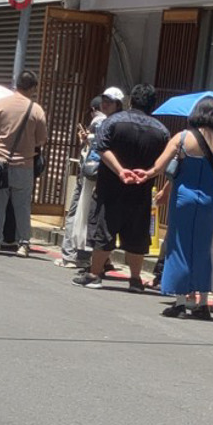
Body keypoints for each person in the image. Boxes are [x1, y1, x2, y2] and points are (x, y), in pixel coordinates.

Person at [140, 97, 213, 318]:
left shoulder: (182, 138)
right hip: (209, 200)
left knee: (179, 245)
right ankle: (203, 303)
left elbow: (158, 166)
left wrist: (145, 175)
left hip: (183, 197)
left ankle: (181, 301)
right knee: (204, 249)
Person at [72, 83, 170, 291]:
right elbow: (166, 161)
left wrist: (120, 170)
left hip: (110, 187)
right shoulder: (161, 131)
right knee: (137, 234)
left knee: (104, 230)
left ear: (131, 101)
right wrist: (149, 173)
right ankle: (135, 279)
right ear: (153, 105)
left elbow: (101, 147)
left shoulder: (114, 121)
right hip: (141, 190)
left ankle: (94, 273)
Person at [0, 70, 48, 256]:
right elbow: (41, 140)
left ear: (16, 84)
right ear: (33, 87)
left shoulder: (0, 105)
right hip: (24, 165)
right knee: (22, 206)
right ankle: (23, 243)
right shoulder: (36, 110)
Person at [55, 88, 124, 268]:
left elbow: (98, 151)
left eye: (109, 100)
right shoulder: (115, 122)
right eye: (104, 100)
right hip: (104, 174)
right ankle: (100, 258)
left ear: (118, 104)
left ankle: (76, 256)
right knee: (94, 216)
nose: (105, 103)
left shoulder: (101, 122)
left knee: (82, 214)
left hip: (93, 175)